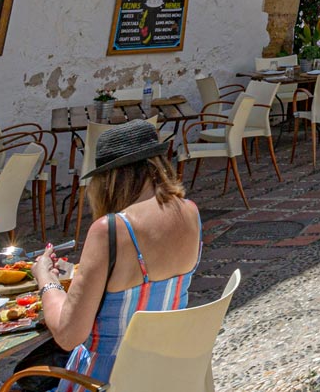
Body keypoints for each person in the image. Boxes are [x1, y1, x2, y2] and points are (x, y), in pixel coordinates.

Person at [25, 120, 200, 387]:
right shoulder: (190, 211)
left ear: (110, 179)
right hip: (163, 376)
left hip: (106, 381)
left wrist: (45, 279)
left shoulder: (111, 230)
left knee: (23, 376)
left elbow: (68, 335)